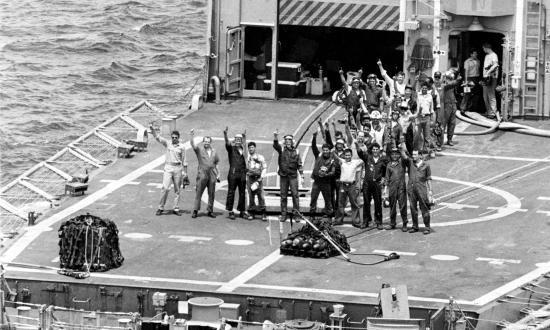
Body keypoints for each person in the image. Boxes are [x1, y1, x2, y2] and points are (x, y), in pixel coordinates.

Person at [150, 126, 188, 216]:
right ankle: (160, 207)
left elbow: (185, 161)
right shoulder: (168, 143)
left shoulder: (182, 147)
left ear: (178, 138)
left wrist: (185, 173)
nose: (174, 139)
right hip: (168, 167)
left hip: (178, 168)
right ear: (171, 137)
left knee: (177, 190)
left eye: (176, 137)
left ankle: (176, 208)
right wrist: (153, 131)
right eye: (173, 137)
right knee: (165, 188)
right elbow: (158, 138)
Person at [400, 146, 433, 234]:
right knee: (412, 208)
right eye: (412, 154)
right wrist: (401, 147)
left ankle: (427, 227)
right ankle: (415, 226)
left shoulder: (426, 165)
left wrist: (430, 191)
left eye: (415, 154)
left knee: (424, 208)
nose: (413, 156)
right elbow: (404, 156)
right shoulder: (410, 162)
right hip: (411, 189)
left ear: (420, 155)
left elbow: (428, 179)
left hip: (422, 190)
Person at [273, 130, 304, 221]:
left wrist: (302, 176)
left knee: (295, 195)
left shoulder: (297, 151)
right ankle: (283, 214)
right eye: (286, 140)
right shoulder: (281, 150)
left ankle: (296, 214)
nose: (287, 141)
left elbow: (299, 164)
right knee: (283, 196)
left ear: (292, 141)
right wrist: (275, 137)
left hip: (293, 176)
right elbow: (276, 145)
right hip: (283, 176)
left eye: (289, 140)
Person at [190, 129, 220, 218]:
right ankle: (195, 210)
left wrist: (218, 174)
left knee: (211, 192)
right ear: (203, 142)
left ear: (210, 142)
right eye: (205, 141)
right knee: (199, 191)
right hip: (202, 173)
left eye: (208, 141)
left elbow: (216, 163)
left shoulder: (214, 152)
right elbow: (193, 145)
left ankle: (210, 210)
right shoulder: (199, 150)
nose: (206, 143)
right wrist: (191, 136)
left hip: (212, 174)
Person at [357, 142, 387, 229]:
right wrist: (357, 145)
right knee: (366, 203)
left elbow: (385, 171)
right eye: (373, 149)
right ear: (372, 150)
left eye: (376, 149)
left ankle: (378, 221)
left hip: (377, 184)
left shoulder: (383, 160)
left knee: (378, 203)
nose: (375, 151)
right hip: (367, 183)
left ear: (379, 150)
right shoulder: (368, 158)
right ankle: (366, 221)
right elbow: (360, 153)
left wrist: (383, 179)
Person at [310, 132, 339, 220]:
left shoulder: (332, 160)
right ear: (322, 150)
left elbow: (333, 172)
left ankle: (329, 217)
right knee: (313, 198)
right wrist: (314, 137)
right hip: (317, 182)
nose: (325, 151)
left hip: (326, 182)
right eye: (324, 150)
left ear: (329, 150)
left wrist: (325, 175)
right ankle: (312, 216)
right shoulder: (318, 155)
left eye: (327, 150)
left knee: (328, 200)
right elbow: (314, 147)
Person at [223, 127, 248, 220]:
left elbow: (246, 157)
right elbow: (227, 143)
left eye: (240, 139)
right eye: (236, 139)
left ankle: (242, 211)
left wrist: (245, 139)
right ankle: (230, 211)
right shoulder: (231, 148)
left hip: (242, 173)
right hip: (233, 173)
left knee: (242, 193)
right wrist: (225, 134)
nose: (238, 141)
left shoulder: (244, 149)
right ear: (234, 140)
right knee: (231, 192)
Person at [334, 148, 364, 226]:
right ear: (344, 155)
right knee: (340, 203)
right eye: (346, 155)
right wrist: (332, 150)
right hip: (343, 185)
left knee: (354, 203)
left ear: (351, 155)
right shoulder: (342, 162)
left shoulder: (355, 162)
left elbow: (364, 158)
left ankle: (356, 221)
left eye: (349, 155)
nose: (347, 157)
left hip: (352, 186)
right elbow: (335, 156)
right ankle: (338, 220)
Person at [383, 147, 407, 231]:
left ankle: (405, 223)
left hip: (401, 188)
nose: (394, 156)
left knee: (402, 206)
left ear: (399, 155)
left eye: (396, 154)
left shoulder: (402, 163)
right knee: (392, 207)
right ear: (390, 155)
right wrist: (385, 190)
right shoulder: (389, 165)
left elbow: (405, 157)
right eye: (393, 154)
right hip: (392, 188)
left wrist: (401, 149)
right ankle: (392, 223)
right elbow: (387, 178)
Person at [437, 71, 462, 147]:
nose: (449, 79)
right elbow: (451, 84)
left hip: (453, 104)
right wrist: (457, 80)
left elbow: (454, 87)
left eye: (451, 78)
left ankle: (449, 139)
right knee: (443, 124)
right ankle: (440, 142)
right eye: (449, 78)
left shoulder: (451, 85)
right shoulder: (444, 84)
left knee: (452, 123)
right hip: (446, 105)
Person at [246, 141, 267, 221]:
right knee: (251, 196)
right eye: (249, 148)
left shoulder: (260, 157)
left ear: (255, 148)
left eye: (252, 147)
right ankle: (251, 212)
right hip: (250, 179)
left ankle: (263, 212)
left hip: (258, 178)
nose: (251, 149)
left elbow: (264, 167)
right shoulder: (246, 158)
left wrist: (261, 177)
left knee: (261, 196)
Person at [416, 83, 435, 157]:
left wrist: (432, 120)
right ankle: (418, 150)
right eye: (423, 88)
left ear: (427, 89)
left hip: (427, 117)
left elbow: (431, 109)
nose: (424, 89)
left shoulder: (430, 96)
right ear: (421, 88)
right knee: (418, 135)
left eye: (425, 88)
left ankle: (426, 151)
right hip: (419, 117)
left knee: (427, 136)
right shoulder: (418, 95)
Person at [482, 42, 499, 118]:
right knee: (485, 95)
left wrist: (488, 72)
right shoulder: (487, 56)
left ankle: (493, 112)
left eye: (484, 48)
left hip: (492, 77)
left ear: (487, 48)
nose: (483, 49)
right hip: (486, 78)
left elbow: (495, 65)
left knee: (491, 95)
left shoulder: (494, 55)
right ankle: (488, 111)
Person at [462, 48, 481, 112]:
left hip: (476, 78)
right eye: (475, 53)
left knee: (475, 94)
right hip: (469, 78)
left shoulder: (478, 61)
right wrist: (466, 81)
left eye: (476, 53)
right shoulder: (467, 62)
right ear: (471, 54)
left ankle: (473, 108)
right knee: (467, 93)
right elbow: (466, 72)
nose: (476, 54)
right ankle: (463, 108)